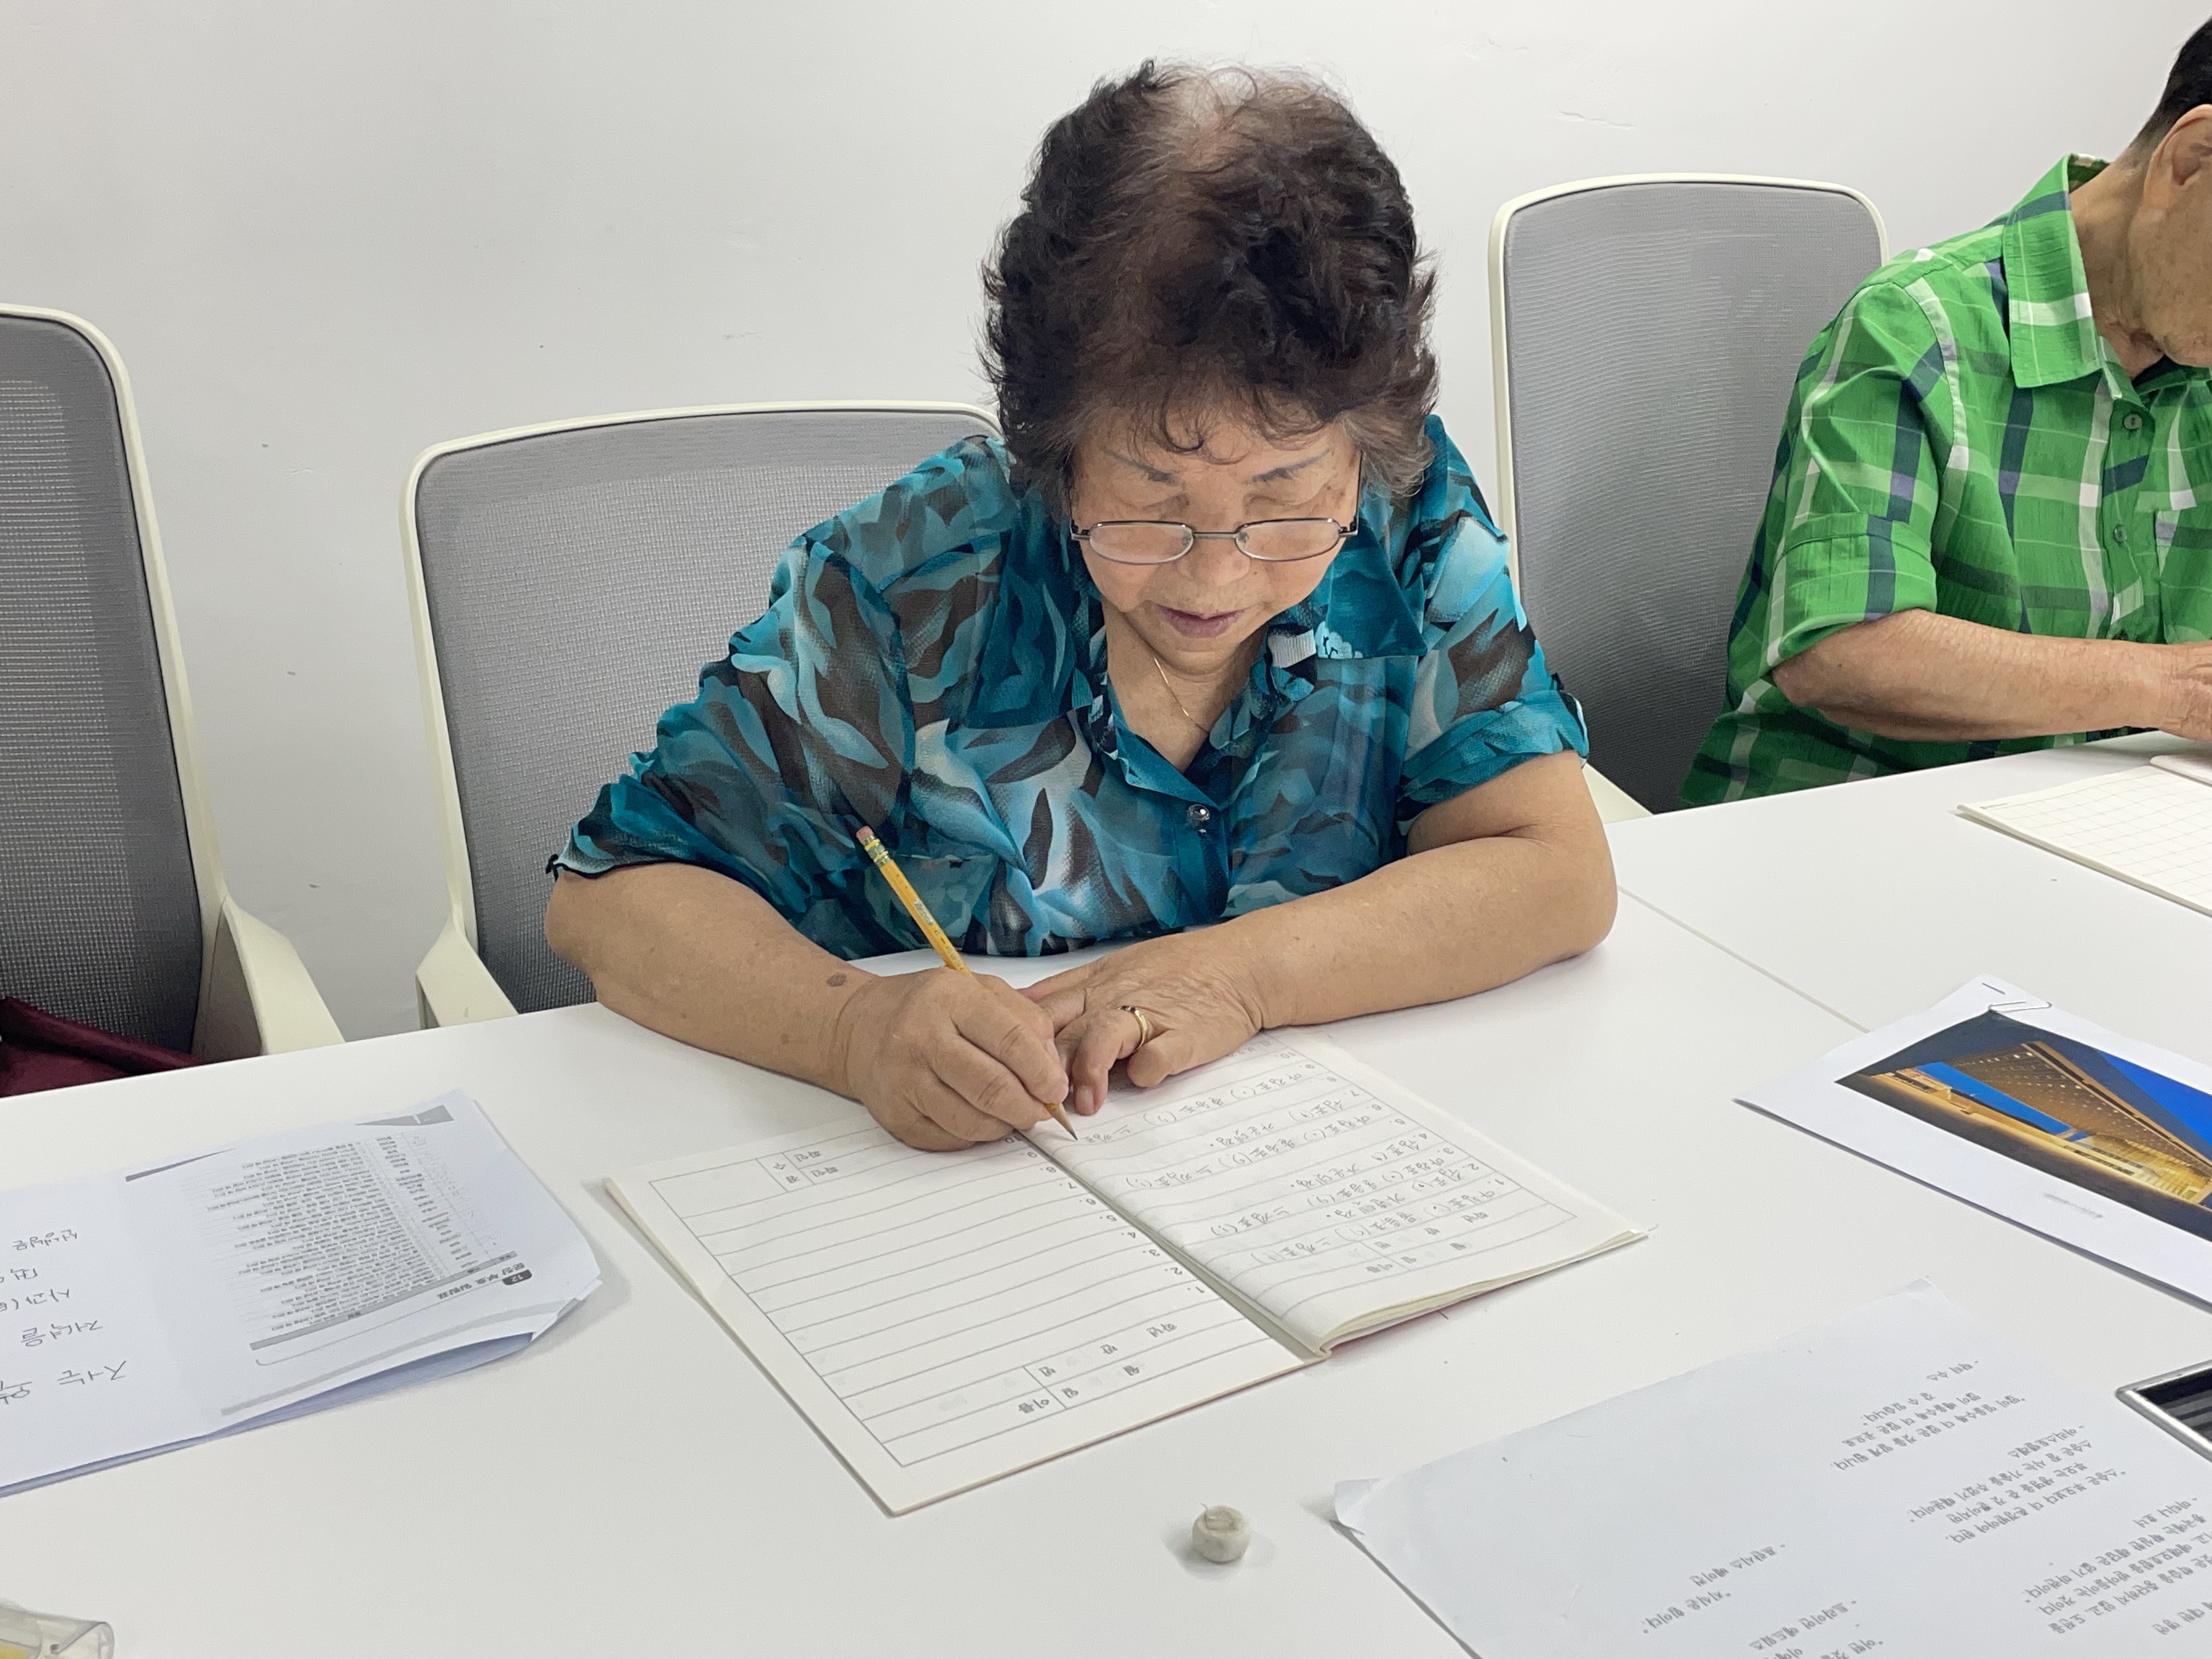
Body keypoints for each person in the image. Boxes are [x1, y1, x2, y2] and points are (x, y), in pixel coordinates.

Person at [545, 64, 1613, 1149]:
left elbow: (1553, 869)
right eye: (1151, 501)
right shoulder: (916, 582)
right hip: (947, 1174)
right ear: (1055, 451)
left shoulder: (1406, 511)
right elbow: (612, 896)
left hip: (1300, 1153)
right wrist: (852, 1031)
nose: (1216, 576)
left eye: (1283, 499)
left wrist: (1238, 977)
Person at [1682, 19, 2212, 806]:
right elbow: (1844, 651)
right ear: (2190, 161)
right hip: (1849, 815)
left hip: (2111, 819)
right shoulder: (1913, 326)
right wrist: (2172, 687)